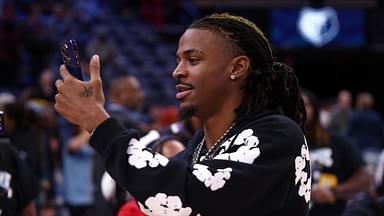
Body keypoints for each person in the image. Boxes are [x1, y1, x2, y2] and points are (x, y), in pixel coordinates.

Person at [55, 13, 311, 215]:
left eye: (193, 60)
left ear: (238, 67)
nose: (177, 71)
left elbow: (184, 196)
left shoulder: (278, 134)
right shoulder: (199, 146)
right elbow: (157, 198)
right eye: (178, 60)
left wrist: (98, 122)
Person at [300, 89, 371, 216]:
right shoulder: (284, 142)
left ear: (315, 109)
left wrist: (334, 191)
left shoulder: (336, 141)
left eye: (304, 104)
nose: (298, 110)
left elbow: (365, 177)